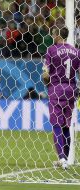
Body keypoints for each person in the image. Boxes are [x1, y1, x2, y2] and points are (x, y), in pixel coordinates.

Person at [42, 26, 80, 170]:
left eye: (52, 33)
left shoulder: (51, 50)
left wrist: (46, 81)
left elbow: (46, 74)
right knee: (66, 125)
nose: (52, 36)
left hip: (56, 89)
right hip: (71, 89)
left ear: (57, 34)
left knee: (57, 124)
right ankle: (65, 158)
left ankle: (62, 158)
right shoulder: (76, 51)